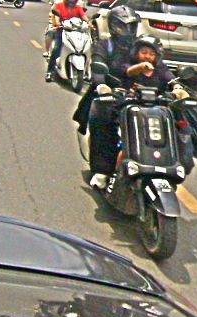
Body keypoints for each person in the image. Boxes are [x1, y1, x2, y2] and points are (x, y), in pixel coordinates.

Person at [87, 34, 188, 190]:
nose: (147, 56)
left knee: (179, 130)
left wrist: (178, 89)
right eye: (144, 52)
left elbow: (172, 80)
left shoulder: (161, 69)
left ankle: (170, 168)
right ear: (136, 53)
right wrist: (141, 67)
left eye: (152, 54)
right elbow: (128, 71)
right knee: (107, 130)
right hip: (128, 111)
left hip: (154, 113)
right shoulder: (128, 65)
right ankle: (104, 172)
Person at [45, 0, 91, 82]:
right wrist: (58, 22)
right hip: (63, 31)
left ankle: (87, 73)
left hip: (77, 32)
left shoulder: (78, 8)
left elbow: (84, 16)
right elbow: (56, 16)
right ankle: (50, 72)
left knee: (87, 49)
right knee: (56, 49)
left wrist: (89, 23)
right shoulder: (60, 6)